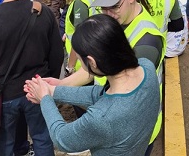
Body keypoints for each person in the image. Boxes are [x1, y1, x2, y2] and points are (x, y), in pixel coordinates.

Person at [43, 0, 165, 156]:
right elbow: (98, 78)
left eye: (114, 6)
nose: (108, 14)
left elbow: (125, 103)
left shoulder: (147, 42)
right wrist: (59, 86)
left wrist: (46, 97)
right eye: (103, 8)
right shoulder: (118, 24)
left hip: (134, 129)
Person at [24, 14, 160, 156]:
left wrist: (45, 99)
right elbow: (101, 94)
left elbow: (61, 138)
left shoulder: (101, 118)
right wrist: (55, 90)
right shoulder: (146, 67)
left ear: (92, 62)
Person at [0, 0, 64, 155]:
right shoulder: (42, 13)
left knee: (6, 143)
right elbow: (56, 55)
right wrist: (46, 81)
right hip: (37, 87)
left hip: (5, 93)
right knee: (42, 138)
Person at [64, 0, 98, 75]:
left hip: (81, 65)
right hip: (96, 56)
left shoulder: (81, 1)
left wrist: (70, 67)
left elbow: (79, 38)